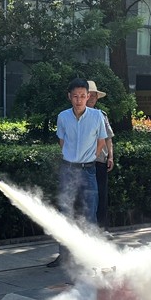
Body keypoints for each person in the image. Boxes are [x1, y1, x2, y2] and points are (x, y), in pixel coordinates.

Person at [47, 78, 108, 267]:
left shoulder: (97, 116)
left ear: (88, 96)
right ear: (69, 97)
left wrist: (89, 158)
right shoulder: (63, 117)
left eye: (82, 96)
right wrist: (72, 158)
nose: (79, 100)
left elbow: (101, 142)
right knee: (65, 212)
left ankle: (90, 257)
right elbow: (62, 141)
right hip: (68, 170)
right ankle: (64, 256)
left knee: (90, 213)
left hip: (88, 170)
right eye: (75, 96)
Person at [86, 81, 114, 231]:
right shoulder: (77, 115)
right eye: (89, 95)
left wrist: (111, 157)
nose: (92, 98)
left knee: (101, 195)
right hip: (83, 162)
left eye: (94, 95)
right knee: (86, 196)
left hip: (100, 160)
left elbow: (109, 138)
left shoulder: (102, 115)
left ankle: (102, 228)